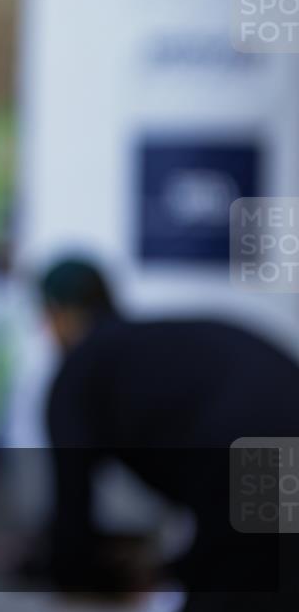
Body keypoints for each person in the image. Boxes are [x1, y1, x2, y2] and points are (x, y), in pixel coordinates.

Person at [38, 258, 299, 611]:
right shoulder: (150, 343)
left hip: (247, 454)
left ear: (59, 316)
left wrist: (77, 571)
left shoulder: (79, 371)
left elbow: (72, 512)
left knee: (230, 588)